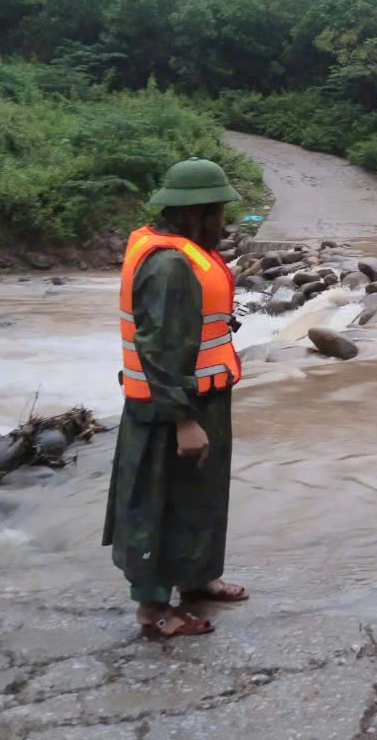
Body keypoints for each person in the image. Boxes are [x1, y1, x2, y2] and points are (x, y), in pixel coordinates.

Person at [102, 156, 249, 639]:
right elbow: (160, 350)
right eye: (217, 214)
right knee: (158, 501)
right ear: (191, 215)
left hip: (201, 397)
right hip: (169, 407)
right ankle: (154, 611)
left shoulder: (181, 252)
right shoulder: (169, 265)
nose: (224, 224)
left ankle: (198, 577)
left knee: (200, 495)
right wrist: (183, 419)